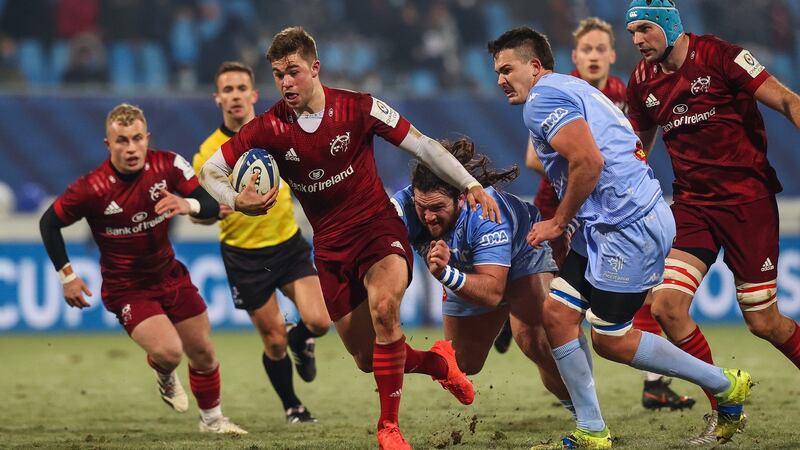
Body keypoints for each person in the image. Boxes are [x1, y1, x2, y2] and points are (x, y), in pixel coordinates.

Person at [199, 27, 501, 449]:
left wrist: (469, 183)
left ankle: (389, 428)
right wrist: (237, 200)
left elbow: (424, 147)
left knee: (384, 312)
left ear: (314, 68)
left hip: (378, 230)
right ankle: (437, 363)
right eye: (278, 74)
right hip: (331, 248)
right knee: (366, 359)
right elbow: (208, 171)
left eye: (293, 71)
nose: (285, 82)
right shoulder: (267, 128)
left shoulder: (359, 107)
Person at [488, 27, 752, 448]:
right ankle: (592, 430)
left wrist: (558, 222)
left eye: (507, 69)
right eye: (496, 72)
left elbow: (588, 162)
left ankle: (724, 383)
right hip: (608, 224)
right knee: (556, 315)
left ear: (534, 66)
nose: (500, 79)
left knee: (610, 339)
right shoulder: (569, 86)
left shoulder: (541, 99)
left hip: (626, 228)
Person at [624, 0, 800, 444]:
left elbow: (785, 99)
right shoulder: (642, 82)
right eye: (632, 33)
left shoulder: (722, 56)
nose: (637, 40)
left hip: (748, 204)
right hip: (694, 207)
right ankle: (726, 407)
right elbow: (636, 148)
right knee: (665, 307)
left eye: (644, 29)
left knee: (763, 322)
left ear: (668, 25)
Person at [499, 16, 694, 412]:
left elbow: (623, 149)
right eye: (585, 49)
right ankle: (577, 397)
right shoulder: (552, 90)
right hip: (561, 210)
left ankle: (619, 397)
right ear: (574, 56)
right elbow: (542, 159)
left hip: (609, 215)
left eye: (599, 49)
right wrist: (569, 209)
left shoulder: (622, 91)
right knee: (550, 316)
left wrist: (622, 182)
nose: (592, 56)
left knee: (604, 309)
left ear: (610, 56)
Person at [38, 103, 246, 434]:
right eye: (122, 141)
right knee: (170, 352)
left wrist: (186, 203)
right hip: (127, 288)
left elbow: (208, 203)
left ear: (147, 138)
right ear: (109, 144)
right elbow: (49, 223)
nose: (131, 148)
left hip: (170, 275)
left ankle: (212, 421)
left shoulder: (169, 165)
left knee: (204, 353)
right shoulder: (91, 188)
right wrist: (68, 276)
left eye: (137, 138)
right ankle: (163, 372)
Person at [391, 137, 574, 417]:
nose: (427, 217)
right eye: (421, 207)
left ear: (461, 197)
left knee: (534, 342)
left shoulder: (486, 213)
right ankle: (503, 319)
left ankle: (586, 417)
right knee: (463, 364)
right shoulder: (404, 206)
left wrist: (445, 273)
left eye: (437, 208)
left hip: (522, 255)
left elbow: (492, 293)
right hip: (467, 266)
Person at [191, 61, 330, 424]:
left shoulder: (276, 129)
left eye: (241, 89)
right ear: (217, 98)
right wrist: (210, 210)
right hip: (244, 257)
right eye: (228, 90)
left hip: (287, 244)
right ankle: (293, 406)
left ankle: (303, 342)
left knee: (319, 321)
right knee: (273, 341)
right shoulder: (208, 152)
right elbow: (201, 208)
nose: (235, 96)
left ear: (253, 94)